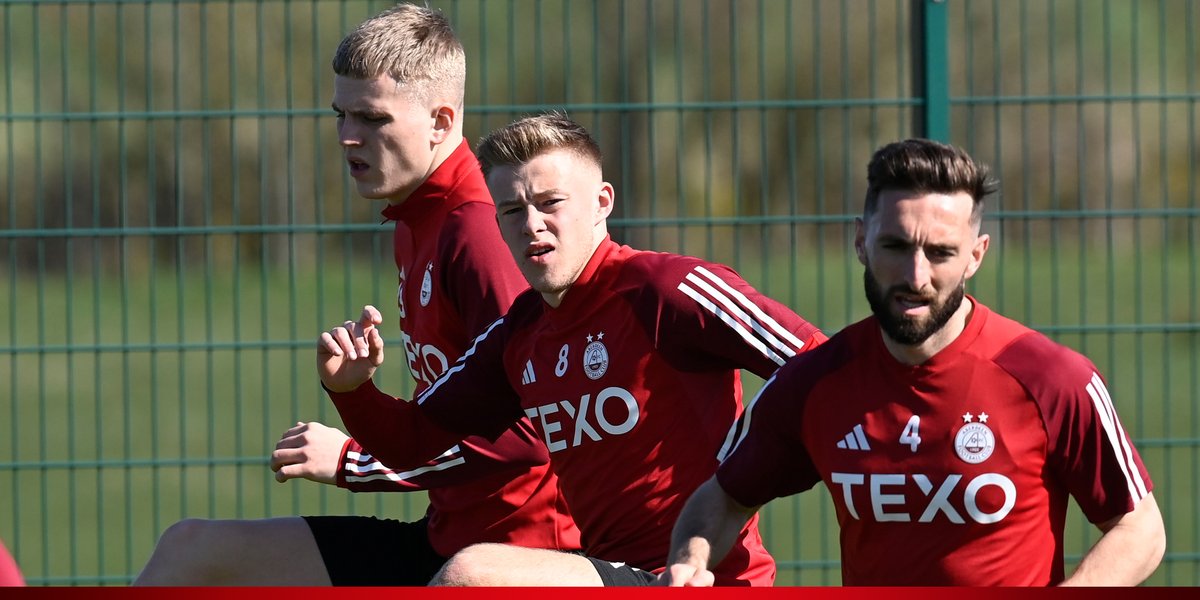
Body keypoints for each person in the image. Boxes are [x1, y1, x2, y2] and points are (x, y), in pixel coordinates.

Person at [134, 4, 578, 586]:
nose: (347, 137)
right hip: (445, 539)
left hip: (513, 559)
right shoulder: (415, 219)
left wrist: (356, 464)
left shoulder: (481, 234)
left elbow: (531, 438)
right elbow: (447, 417)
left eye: (372, 118)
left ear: (441, 122)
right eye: (341, 114)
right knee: (191, 549)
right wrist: (356, 394)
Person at [319, 113, 826, 586]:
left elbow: (819, 366)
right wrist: (352, 389)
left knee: (472, 574)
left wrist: (740, 474)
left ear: (602, 201)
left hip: (705, 578)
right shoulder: (519, 332)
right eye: (512, 210)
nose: (531, 224)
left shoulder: (665, 290)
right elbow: (413, 438)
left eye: (550, 203)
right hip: (609, 570)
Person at [661, 138, 1167, 586]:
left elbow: (1139, 528)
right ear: (861, 240)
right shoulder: (815, 381)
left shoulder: (1051, 379)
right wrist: (690, 560)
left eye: (941, 252)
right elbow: (723, 499)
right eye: (896, 246)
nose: (916, 275)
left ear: (975, 255)